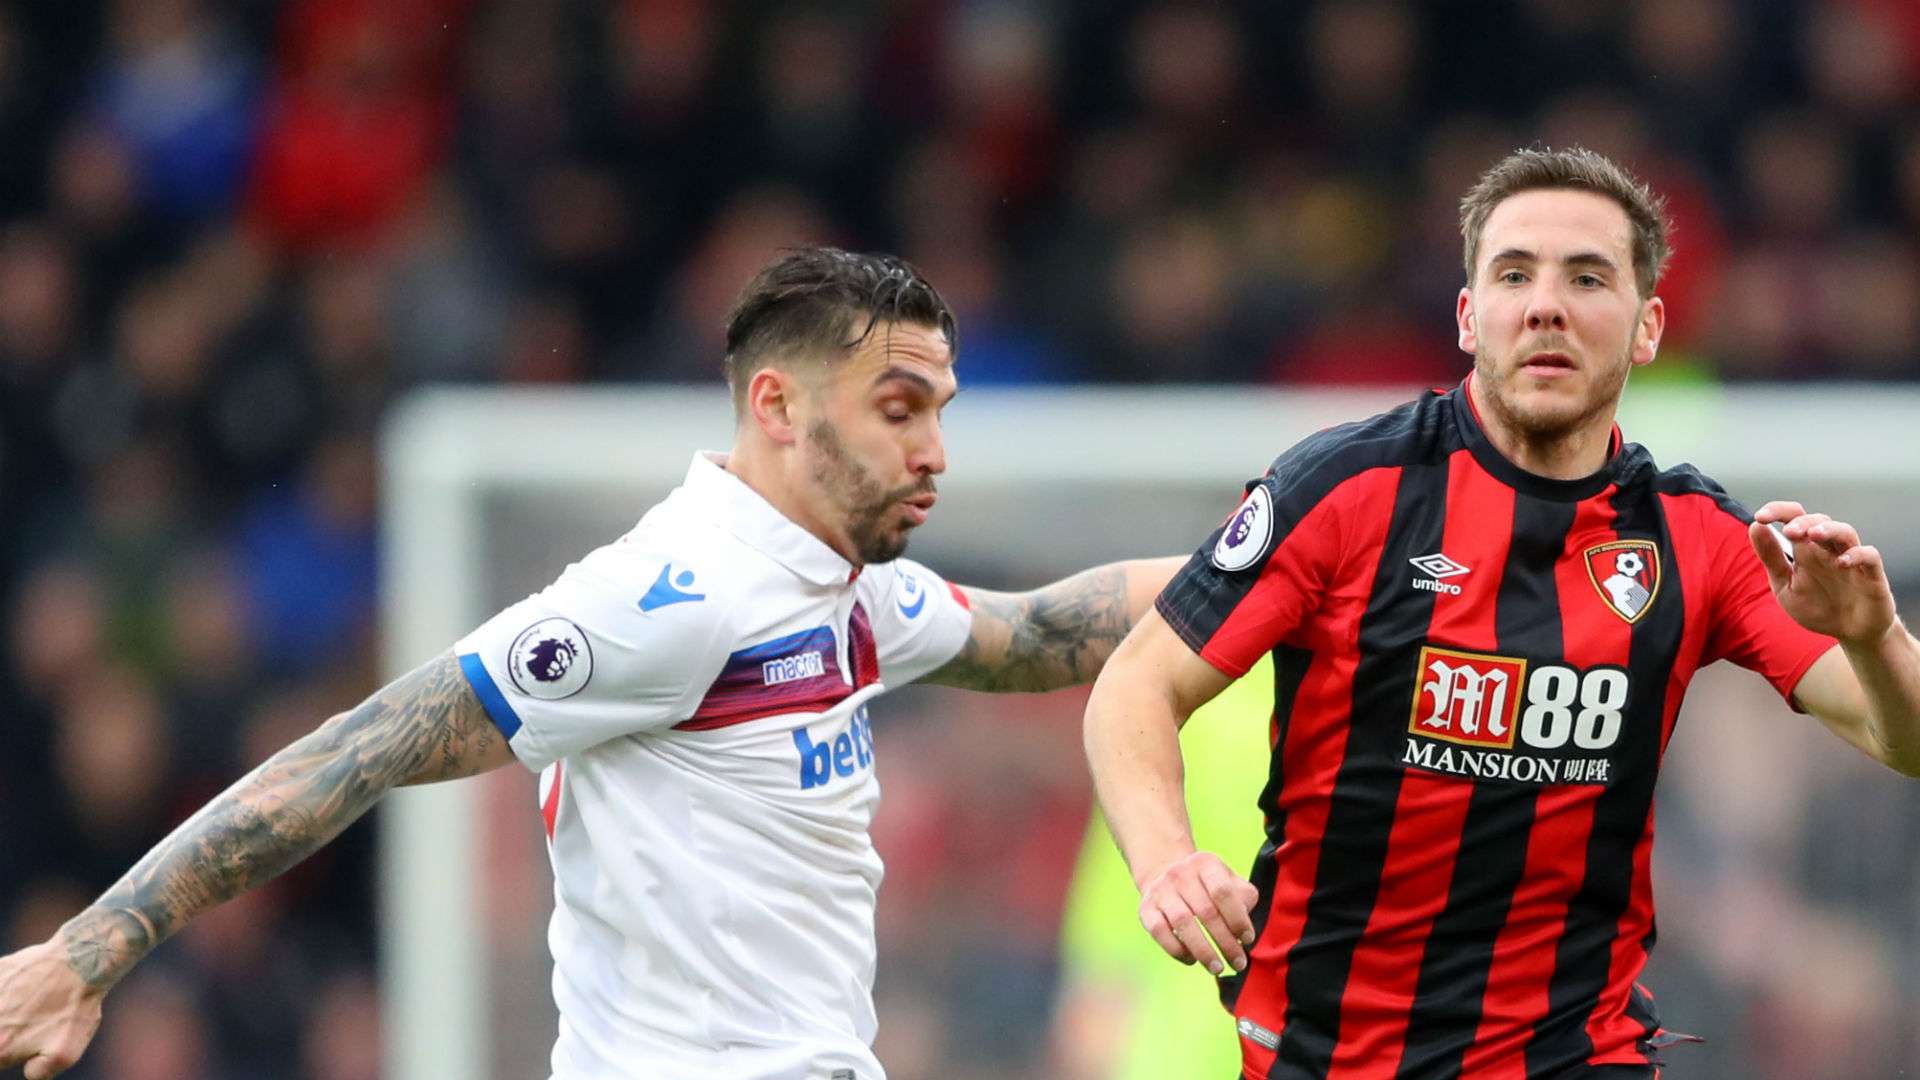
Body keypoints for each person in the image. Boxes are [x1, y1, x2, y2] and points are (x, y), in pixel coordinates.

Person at [0, 246, 1182, 1080]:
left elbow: (1034, 634)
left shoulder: (854, 589)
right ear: (776, 403)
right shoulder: (667, 598)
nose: (934, 451)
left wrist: (1270, 562)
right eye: (898, 409)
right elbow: (358, 750)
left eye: (940, 410)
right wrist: (91, 953)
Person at [1084, 146, 1920, 1080]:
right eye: (1514, 273)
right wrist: (1167, 863)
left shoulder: (1699, 539)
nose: (1545, 304)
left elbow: (1908, 742)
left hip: (1574, 1054)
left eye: (1587, 277)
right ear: (1468, 315)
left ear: (1647, 329)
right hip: (1328, 1053)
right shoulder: (1349, 491)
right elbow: (1137, 683)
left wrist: (1872, 635)